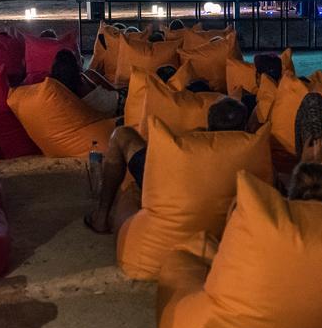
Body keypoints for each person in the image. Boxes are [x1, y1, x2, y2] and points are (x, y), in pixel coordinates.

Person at [84, 97, 249, 234]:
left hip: (170, 188)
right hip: (218, 210)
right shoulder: (254, 150)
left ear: (209, 123)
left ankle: (101, 218)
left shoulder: (190, 143)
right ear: (244, 127)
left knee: (121, 134)